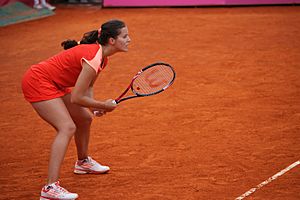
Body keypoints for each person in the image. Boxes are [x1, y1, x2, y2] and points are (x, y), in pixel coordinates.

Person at [21, 19, 131, 200]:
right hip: (38, 81)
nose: (129, 40)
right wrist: (103, 105)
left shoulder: (103, 59)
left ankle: (83, 162)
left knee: (85, 119)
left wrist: (94, 108)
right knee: (67, 127)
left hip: (56, 83)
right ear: (111, 40)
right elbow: (76, 97)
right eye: (125, 36)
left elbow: (86, 90)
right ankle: (49, 188)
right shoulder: (93, 56)